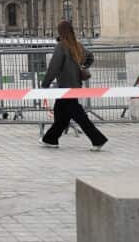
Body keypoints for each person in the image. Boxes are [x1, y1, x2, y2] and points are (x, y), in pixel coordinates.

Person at [39, 20, 108, 150]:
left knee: (79, 116)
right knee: (61, 116)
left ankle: (97, 139)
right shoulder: (77, 45)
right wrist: (83, 66)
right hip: (75, 85)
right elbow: (90, 57)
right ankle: (50, 139)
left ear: (60, 32)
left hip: (65, 87)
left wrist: (45, 84)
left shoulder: (61, 46)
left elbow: (53, 67)